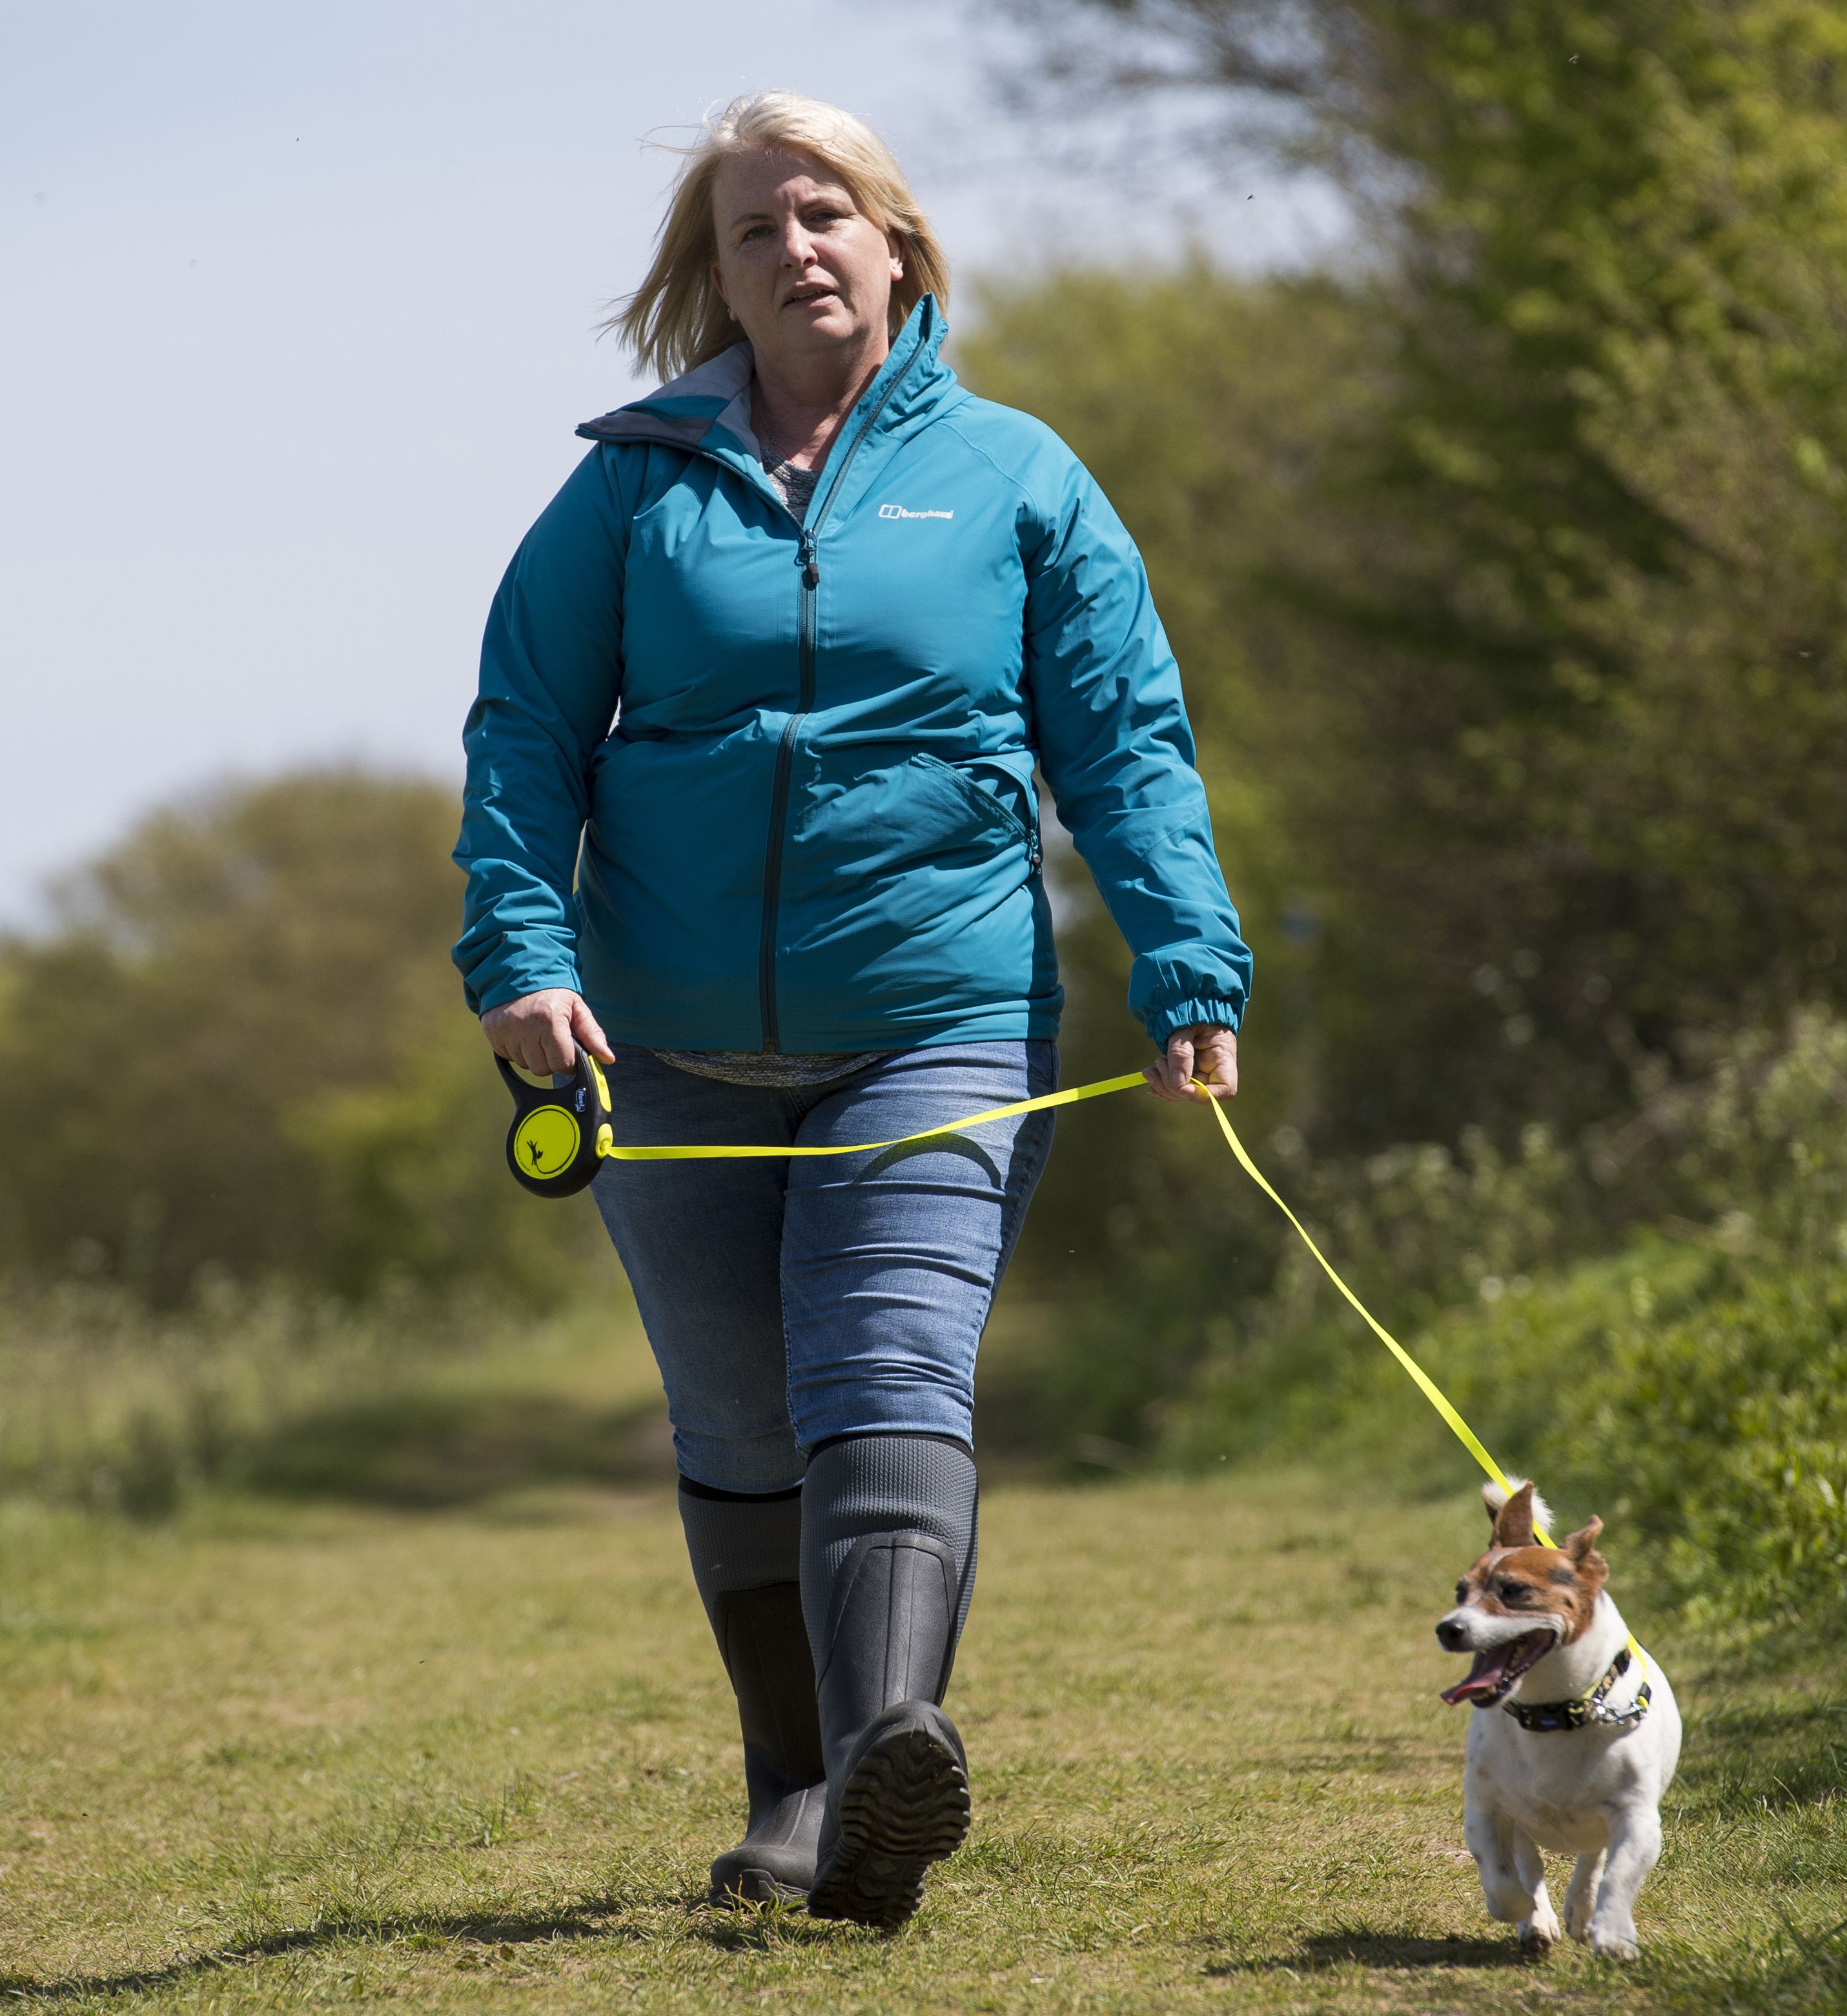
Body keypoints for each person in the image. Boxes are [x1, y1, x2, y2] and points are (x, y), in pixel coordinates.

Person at [452, 90, 1249, 1929]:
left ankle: (892, 1743)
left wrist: (1184, 954)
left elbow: (1122, 742)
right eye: (751, 230)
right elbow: (522, 731)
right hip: (654, 1041)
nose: (792, 249)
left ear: (897, 243)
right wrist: (518, 950)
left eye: (823, 213)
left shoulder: (1017, 479)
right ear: (712, 282)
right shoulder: (628, 494)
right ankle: (798, 1787)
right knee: (739, 1423)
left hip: (939, 1017)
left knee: (884, 1370)